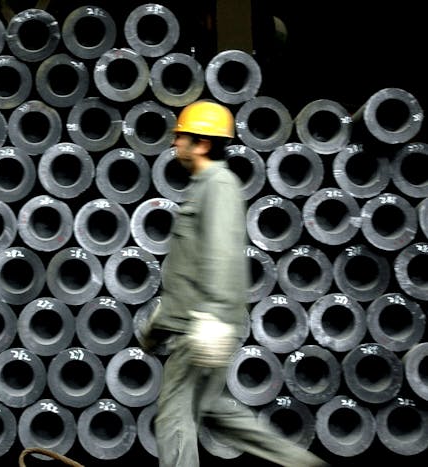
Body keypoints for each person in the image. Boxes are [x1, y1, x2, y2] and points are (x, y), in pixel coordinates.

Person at [140, 100, 328, 467]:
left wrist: (213, 318)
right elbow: (185, 272)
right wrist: (156, 327)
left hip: (200, 328)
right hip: (191, 325)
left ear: (203, 144)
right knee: (214, 412)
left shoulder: (220, 184)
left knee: (173, 419)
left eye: (182, 137)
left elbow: (222, 253)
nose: (174, 143)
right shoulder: (202, 187)